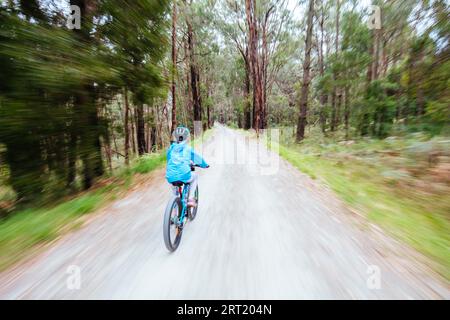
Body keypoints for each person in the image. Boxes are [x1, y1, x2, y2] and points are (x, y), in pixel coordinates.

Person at [165, 126, 209, 207]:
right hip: (184, 174)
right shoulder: (188, 148)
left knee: (174, 184)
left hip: (170, 176)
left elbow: (168, 160)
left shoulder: (170, 149)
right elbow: (198, 159)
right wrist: (205, 165)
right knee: (194, 177)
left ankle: (174, 204)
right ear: (186, 138)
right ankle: (191, 199)